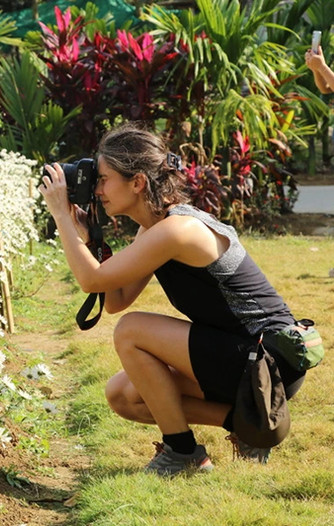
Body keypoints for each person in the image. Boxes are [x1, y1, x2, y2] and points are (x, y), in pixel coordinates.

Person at [38, 123, 305, 476]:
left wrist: (60, 215)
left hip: (270, 361)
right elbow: (116, 299)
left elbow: (92, 281)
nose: (97, 190)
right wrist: (88, 239)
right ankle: (247, 424)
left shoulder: (178, 230)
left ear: (137, 182)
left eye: (103, 179)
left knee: (131, 330)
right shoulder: (154, 227)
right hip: (246, 355)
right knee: (123, 395)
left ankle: (182, 452)